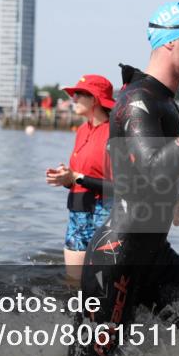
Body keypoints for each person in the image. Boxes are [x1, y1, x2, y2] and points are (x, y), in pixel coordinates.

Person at [74, 2, 179, 356]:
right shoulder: (138, 99)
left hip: (152, 256)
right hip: (117, 260)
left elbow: (139, 174)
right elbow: (155, 168)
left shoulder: (161, 101)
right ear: (171, 42)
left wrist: (169, 199)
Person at [45, 74, 115, 281]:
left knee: (102, 286)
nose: (73, 99)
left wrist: (77, 177)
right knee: (74, 285)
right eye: (73, 95)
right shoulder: (82, 130)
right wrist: (66, 179)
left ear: (95, 99)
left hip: (104, 215)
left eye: (79, 95)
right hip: (77, 212)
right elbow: (80, 178)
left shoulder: (116, 133)